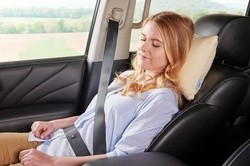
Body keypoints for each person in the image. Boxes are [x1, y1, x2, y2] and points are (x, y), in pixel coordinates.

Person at [0, 11, 194, 166]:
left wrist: (53, 162)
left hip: (68, 156)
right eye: (143, 38)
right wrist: (55, 124)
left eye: (156, 44)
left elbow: (123, 156)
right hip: (55, 139)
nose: (144, 48)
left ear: (174, 52)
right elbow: (95, 116)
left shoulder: (162, 99)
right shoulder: (129, 76)